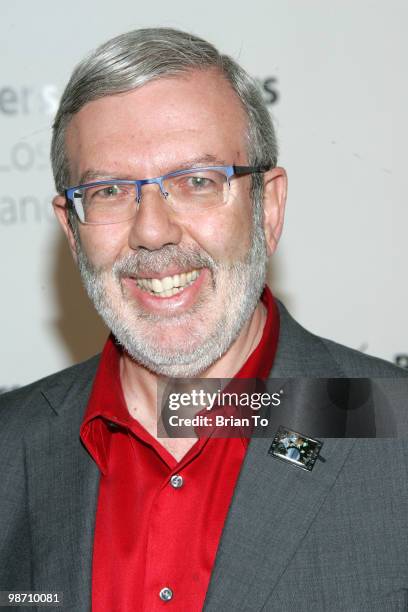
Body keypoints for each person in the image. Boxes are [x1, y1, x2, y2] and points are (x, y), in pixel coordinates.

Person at [1, 28, 407, 612]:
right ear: (71, 230)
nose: (152, 230)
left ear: (267, 207)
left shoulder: (395, 432)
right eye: (111, 190)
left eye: (196, 182)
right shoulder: (9, 448)